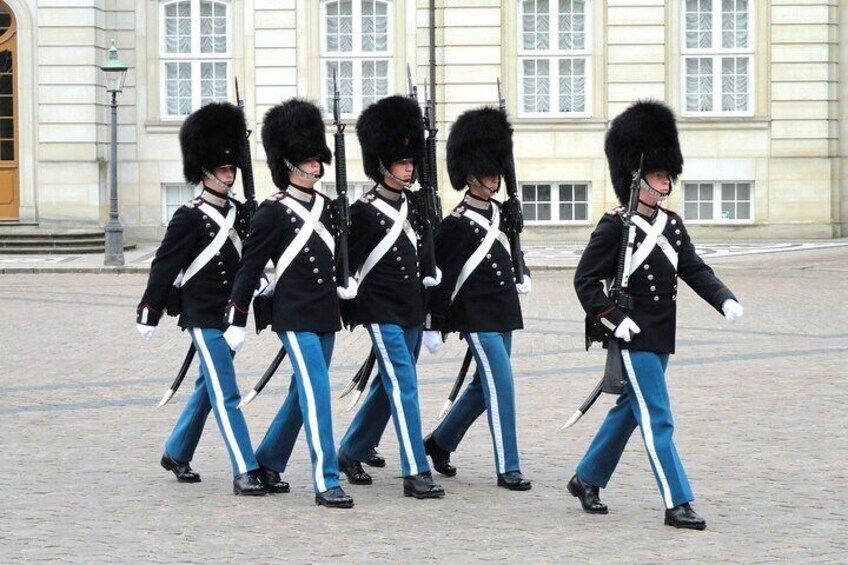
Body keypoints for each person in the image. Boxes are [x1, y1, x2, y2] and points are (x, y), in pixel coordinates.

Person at [568, 100, 745, 530]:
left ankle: (586, 478)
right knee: (657, 416)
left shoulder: (672, 224)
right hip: (632, 334)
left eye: (668, 174)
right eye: (658, 174)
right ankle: (677, 501)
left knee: (631, 410)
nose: (666, 181)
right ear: (637, 176)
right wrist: (613, 318)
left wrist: (723, 297)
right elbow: (585, 280)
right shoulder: (615, 225)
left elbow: (694, 269)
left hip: (662, 333)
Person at [223, 99, 357, 509]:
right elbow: (249, 267)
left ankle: (268, 461)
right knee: (317, 392)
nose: (316, 165)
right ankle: (325, 480)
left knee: (302, 393)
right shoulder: (273, 211)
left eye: (317, 159)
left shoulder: (330, 208)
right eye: (308, 160)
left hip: (325, 313)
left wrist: (348, 283)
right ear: (289, 164)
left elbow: (338, 258)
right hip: (293, 315)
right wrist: (236, 316)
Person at [136, 102, 265, 496]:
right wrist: (149, 309)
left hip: (232, 315)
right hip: (202, 315)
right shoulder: (189, 216)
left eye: (231, 169)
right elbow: (165, 265)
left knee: (208, 386)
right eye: (223, 170)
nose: (229, 175)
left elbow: (251, 258)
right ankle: (245, 468)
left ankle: (176, 451)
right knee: (226, 391)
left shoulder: (241, 212)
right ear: (205, 171)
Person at [336, 95, 445, 499]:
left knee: (388, 384)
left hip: (412, 308)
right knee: (405, 385)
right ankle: (415, 470)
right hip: (380, 310)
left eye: (411, 161)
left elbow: (427, 258)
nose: (409, 168)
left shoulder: (416, 204)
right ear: (382, 165)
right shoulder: (363, 211)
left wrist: (432, 315)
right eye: (401, 163)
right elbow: (345, 264)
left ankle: (351, 450)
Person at [419, 107, 532, 491]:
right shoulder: (455, 223)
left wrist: (523, 271)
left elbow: (510, 252)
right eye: (487, 172)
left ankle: (439, 442)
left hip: (504, 311)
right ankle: (508, 465)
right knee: (501, 386)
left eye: (497, 171)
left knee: (482, 388)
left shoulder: (502, 213)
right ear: (470, 176)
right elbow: (441, 278)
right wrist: (433, 323)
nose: (495, 178)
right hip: (476, 315)